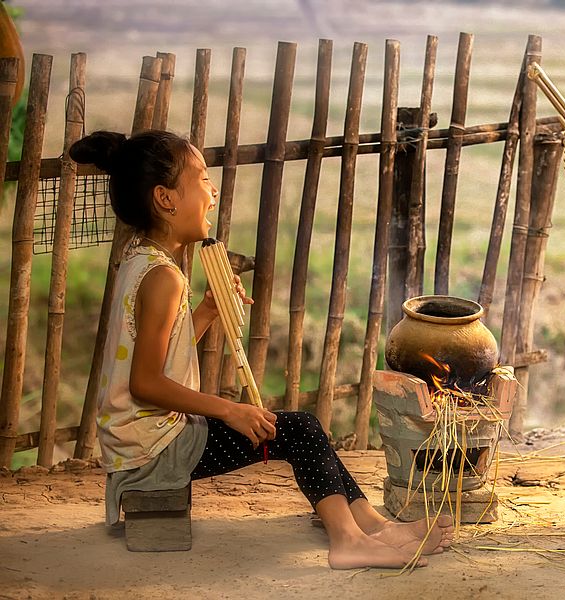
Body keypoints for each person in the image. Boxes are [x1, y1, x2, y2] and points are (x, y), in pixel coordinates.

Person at [70, 130, 452, 569]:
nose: (212, 192)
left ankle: (374, 526)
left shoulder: (141, 260)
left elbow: (160, 358)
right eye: (201, 180)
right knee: (300, 431)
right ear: (165, 198)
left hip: (140, 439)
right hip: (155, 449)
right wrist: (229, 410)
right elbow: (146, 383)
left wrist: (209, 311)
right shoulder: (164, 278)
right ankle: (348, 539)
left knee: (295, 430)